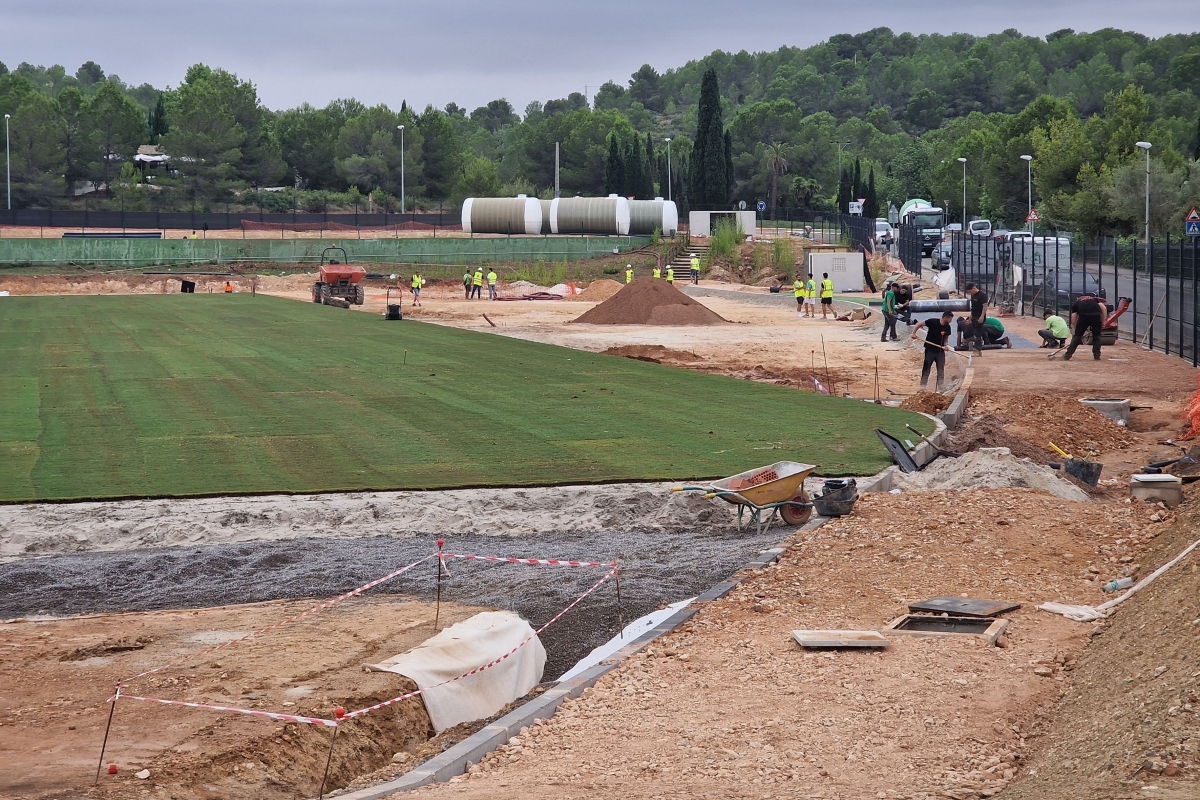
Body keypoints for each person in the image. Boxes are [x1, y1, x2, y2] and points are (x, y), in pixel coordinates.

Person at [912, 311, 954, 391]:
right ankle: (922, 387)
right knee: (926, 368)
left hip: (940, 351)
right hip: (930, 350)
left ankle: (941, 387)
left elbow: (946, 338)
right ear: (946, 317)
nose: (951, 321)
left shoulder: (947, 327)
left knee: (940, 369)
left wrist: (945, 345)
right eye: (950, 319)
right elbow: (919, 324)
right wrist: (914, 333)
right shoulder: (932, 322)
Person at [1062, 291, 1107, 361]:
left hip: (1084, 317)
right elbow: (1104, 308)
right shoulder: (1094, 300)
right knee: (1097, 337)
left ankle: (1067, 355)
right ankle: (1097, 356)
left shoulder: (1077, 303)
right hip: (1096, 316)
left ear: (1078, 298)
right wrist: (1103, 322)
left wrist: (1077, 330)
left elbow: (1073, 319)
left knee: (1077, 337)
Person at [964, 283, 988, 352]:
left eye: (970, 291)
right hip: (974, 316)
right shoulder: (973, 296)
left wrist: (982, 316)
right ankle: (977, 348)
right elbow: (973, 308)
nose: (970, 293)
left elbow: (985, 306)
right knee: (975, 333)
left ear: (974, 288)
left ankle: (978, 349)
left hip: (979, 316)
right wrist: (970, 318)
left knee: (977, 334)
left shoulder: (982, 295)